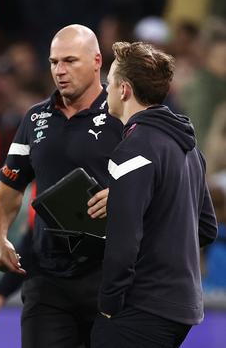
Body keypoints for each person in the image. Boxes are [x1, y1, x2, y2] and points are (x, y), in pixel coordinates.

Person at [0, 24, 123, 348]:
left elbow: (155, 182)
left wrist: (122, 196)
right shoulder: (34, 119)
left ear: (96, 61)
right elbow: (9, 189)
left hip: (109, 274)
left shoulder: (123, 115)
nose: (60, 71)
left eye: (70, 61)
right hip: (47, 280)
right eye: (53, 62)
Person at [91, 41, 218, 348]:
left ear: (124, 90)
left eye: (108, 84)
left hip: (144, 306)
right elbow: (206, 228)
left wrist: (108, 304)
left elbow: (124, 240)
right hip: (182, 306)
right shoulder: (189, 148)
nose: (105, 92)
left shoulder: (133, 149)